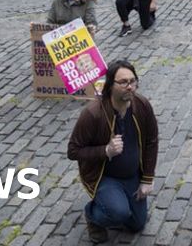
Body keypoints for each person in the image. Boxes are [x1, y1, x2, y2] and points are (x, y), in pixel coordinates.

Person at [68, 60, 158, 244]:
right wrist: (105, 150)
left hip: (132, 175)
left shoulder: (142, 105)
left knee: (137, 224)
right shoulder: (93, 114)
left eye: (133, 81)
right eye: (123, 82)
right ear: (110, 85)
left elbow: (151, 142)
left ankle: (118, 203)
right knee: (119, 213)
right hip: (105, 177)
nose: (130, 87)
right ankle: (93, 216)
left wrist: (147, 178)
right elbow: (73, 151)